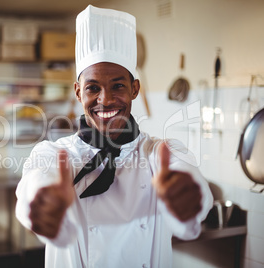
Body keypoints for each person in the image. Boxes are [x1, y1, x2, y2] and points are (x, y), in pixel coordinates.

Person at [15, 5, 213, 268]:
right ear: (77, 92)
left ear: (134, 88)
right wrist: (43, 202)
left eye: (118, 86)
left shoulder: (160, 155)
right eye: (92, 88)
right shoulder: (53, 154)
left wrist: (189, 199)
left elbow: (194, 187)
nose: (105, 100)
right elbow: (34, 185)